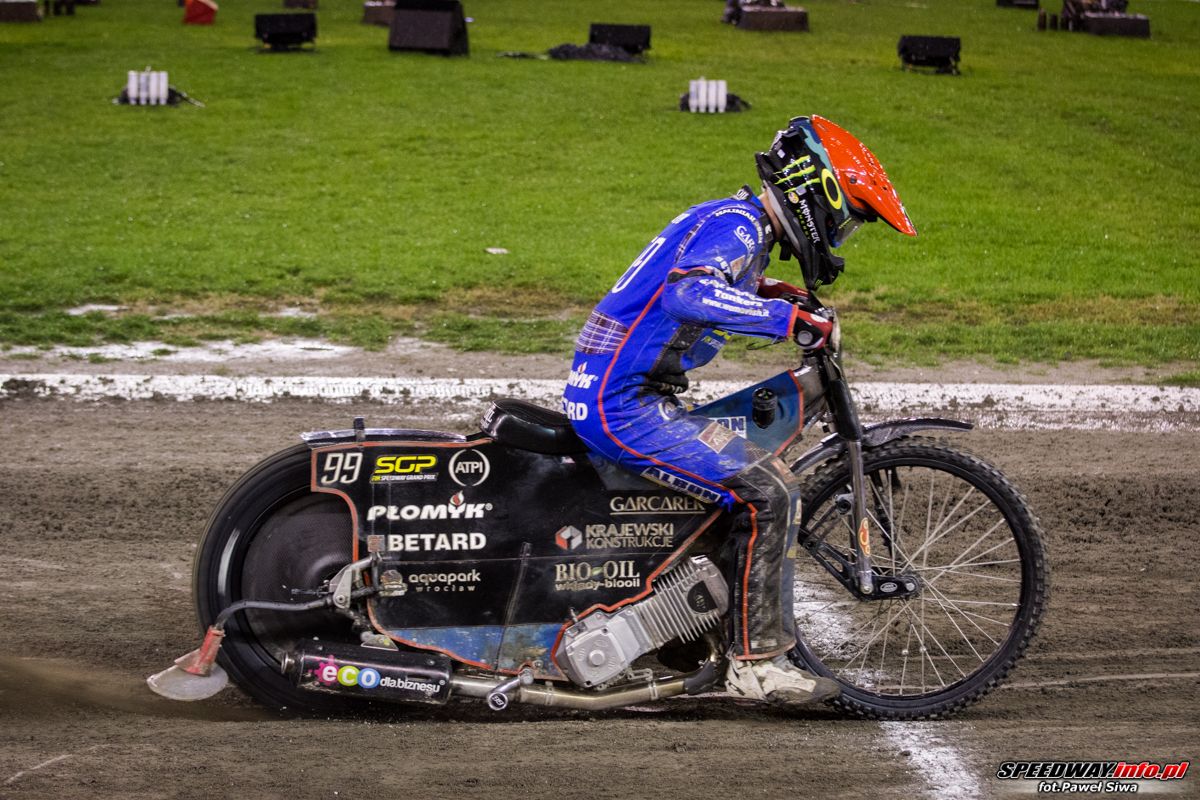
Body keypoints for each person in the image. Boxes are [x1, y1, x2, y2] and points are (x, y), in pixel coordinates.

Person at [562, 115, 916, 704]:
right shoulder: (741, 226)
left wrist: (777, 295)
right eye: (846, 220)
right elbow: (689, 291)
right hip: (622, 405)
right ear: (817, 195)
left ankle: (685, 630)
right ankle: (756, 664)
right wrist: (789, 320)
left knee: (734, 481)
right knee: (770, 489)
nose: (840, 235)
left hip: (617, 393)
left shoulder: (736, 221)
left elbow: (705, 282)